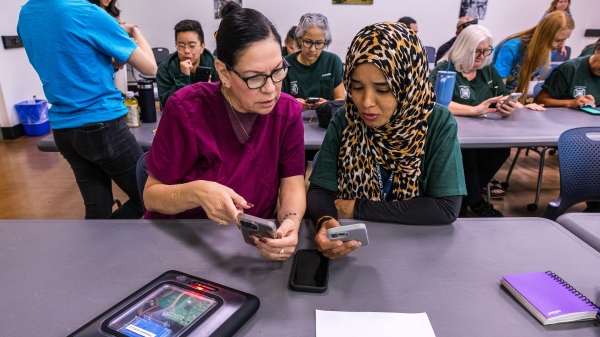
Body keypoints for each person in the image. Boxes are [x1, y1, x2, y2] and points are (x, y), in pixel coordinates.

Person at [143, 2, 306, 261]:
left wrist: (290, 223)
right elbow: (152, 196)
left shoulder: (287, 112)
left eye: (278, 72)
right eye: (254, 77)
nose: (271, 89)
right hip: (182, 241)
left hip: (249, 246)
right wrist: (195, 192)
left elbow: (292, 184)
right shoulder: (186, 108)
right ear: (223, 72)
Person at [307, 22, 466, 259]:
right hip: (354, 254)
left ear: (409, 86)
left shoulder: (436, 122)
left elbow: (444, 208)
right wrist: (326, 220)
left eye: (383, 89)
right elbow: (320, 190)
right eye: (357, 87)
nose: (366, 102)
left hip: (418, 254)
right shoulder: (347, 118)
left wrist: (356, 208)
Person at [18, 0, 157, 219]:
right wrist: (135, 30)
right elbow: (150, 67)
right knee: (150, 200)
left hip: (64, 130)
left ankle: (98, 249)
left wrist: (103, 64)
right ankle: (108, 238)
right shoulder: (86, 12)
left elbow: (62, 62)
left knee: (97, 210)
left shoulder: (26, 14)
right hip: (102, 126)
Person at [431, 25, 545, 217]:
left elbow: (503, 94)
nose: (482, 56)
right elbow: (435, 103)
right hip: (453, 135)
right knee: (465, 154)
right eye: (477, 51)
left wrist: (515, 105)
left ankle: (466, 200)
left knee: (500, 150)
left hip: (484, 133)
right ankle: (475, 201)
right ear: (464, 48)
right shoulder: (445, 70)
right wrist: (473, 110)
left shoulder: (487, 70)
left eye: (486, 51)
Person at [493, 11, 574, 103]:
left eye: (565, 39)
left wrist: (517, 102)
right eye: (558, 40)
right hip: (491, 89)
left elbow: (523, 79)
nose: (562, 45)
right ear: (544, 35)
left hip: (508, 92)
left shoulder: (550, 50)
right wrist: (520, 106)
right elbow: (497, 87)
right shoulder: (512, 48)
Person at [281, 13, 344, 111]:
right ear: (299, 39)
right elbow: (279, 103)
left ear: (325, 42)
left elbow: (340, 100)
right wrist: (293, 104)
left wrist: (327, 104)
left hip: (326, 121)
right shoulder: (285, 64)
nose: (312, 49)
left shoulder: (333, 62)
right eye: (308, 42)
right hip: (294, 121)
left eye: (319, 43)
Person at [156, 20, 220, 108]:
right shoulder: (165, 69)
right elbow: (168, 106)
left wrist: (209, 91)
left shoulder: (216, 66)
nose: (186, 51)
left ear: (202, 47)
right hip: (178, 119)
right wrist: (183, 77)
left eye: (192, 46)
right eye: (181, 46)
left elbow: (222, 106)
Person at [535, 40, 599, 108]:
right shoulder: (569, 68)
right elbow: (539, 101)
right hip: (564, 116)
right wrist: (570, 103)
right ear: (597, 50)